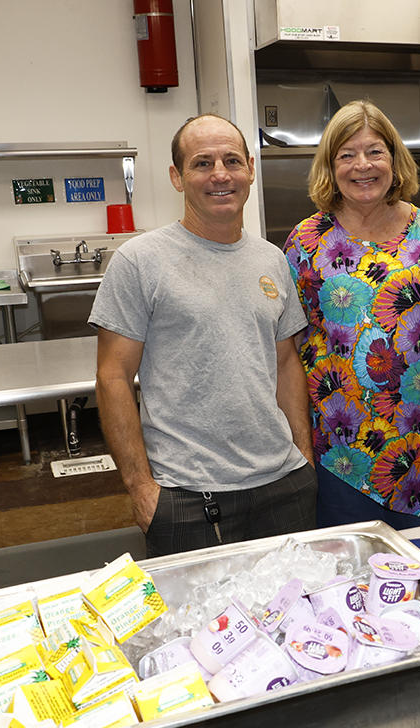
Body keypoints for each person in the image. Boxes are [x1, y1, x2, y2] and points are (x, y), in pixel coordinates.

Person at [91, 114, 318, 558]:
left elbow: (286, 361)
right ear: (177, 177)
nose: (220, 174)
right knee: (196, 626)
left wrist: (303, 458)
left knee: (293, 620)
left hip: (283, 484)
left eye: (232, 160)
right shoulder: (139, 261)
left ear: (250, 169)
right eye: (202, 163)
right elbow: (112, 376)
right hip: (188, 495)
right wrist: (141, 486)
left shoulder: (271, 259)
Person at [282, 99, 420, 530]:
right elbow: (287, 350)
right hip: (337, 449)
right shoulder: (305, 241)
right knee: (348, 577)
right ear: (330, 168)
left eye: (374, 152)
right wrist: (297, 440)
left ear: (394, 159)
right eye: (346, 155)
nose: (361, 165)